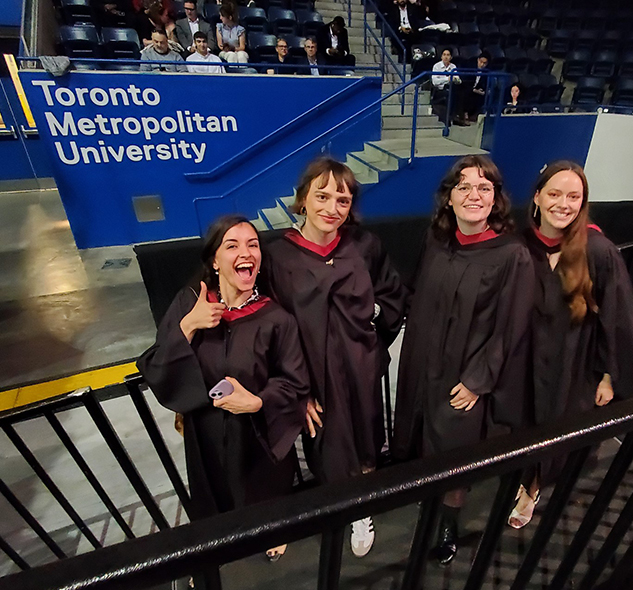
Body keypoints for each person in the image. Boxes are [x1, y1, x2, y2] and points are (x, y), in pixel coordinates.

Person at [137, 214, 310, 563]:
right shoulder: (190, 305)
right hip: (206, 435)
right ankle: (212, 548)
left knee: (265, 492)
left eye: (252, 245)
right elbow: (154, 365)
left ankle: (272, 529)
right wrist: (188, 326)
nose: (245, 252)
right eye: (231, 245)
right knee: (210, 496)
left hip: (258, 435)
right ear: (214, 260)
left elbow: (295, 382)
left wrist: (258, 401)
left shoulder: (277, 319)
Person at [393, 155, 535, 565]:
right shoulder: (437, 241)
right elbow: (415, 291)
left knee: (455, 447)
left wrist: (479, 380)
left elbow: (512, 325)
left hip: (465, 372)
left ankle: (448, 521)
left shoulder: (512, 255)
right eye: (464, 187)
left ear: (496, 199)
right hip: (422, 361)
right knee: (420, 428)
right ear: (449, 198)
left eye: (484, 187)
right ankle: (423, 491)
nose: (474, 194)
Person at [263, 158, 406, 558]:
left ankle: (363, 506)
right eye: (322, 196)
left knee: (365, 440)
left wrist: (372, 316)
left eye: (342, 200)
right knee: (326, 444)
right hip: (310, 374)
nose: (332, 208)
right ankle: (339, 503)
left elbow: (392, 294)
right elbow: (269, 324)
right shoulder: (278, 257)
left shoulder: (364, 245)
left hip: (360, 366)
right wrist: (293, 387)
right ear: (303, 199)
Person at [509, 161, 633, 529]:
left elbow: (618, 318)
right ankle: (524, 473)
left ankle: (532, 488)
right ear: (537, 197)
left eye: (573, 196)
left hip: (573, 362)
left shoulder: (598, 251)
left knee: (557, 426)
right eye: (554, 193)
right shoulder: (522, 246)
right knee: (523, 423)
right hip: (525, 360)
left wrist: (610, 375)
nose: (563, 204)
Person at [431, 48, 465, 126]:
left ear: (451, 57)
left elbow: (458, 79)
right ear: (441, 56)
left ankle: (456, 117)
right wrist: (447, 79)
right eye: (444, 55)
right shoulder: (436, 66)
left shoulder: (453, 67)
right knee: (451, 94)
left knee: (460, 92)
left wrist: (455, 80)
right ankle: (450, 118)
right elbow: (435, 82)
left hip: (451, 88)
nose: (446, 57)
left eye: (448, 55)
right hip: (440, 90)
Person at [463, 52, 490, 122]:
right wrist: (473, 90)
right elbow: (465, 82)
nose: (482, 64)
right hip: (467, 88)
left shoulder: (486, 72)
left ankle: (476, 115)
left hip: (477, 91)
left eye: (484, 63)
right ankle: (464, 114)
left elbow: (484, 84)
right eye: (481, 62)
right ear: (478, 60)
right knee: (466, 93)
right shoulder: (470, 68)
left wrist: (482, 90)